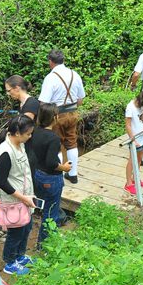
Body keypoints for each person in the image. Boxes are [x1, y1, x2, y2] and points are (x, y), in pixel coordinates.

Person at [0, 115, 36, 275]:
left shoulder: (20, 144)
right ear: (17, 133)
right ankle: (10, 262)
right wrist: (22, 197)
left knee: (26, 227)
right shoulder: (5, 152)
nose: (30, 136)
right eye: (28, 134)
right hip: (14, 199)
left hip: (26, 196)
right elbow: (1, 181)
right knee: (16, 231)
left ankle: (19, 255)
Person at [38, 49, 85, 184]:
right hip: (73, 113)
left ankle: (57, 174)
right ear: (63, 60)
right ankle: (73, 174)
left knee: (56, 144)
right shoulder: (74, 74)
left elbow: (43, 102)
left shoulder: (51, 78)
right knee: (71, 142)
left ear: (50, 62)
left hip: (57, 116)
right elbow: (80, 99)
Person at [29, 103, 72, 246]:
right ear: (55, 117)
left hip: (37, 174)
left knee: (44, 209)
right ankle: (45, 244)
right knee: (51, 212)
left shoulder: (34, 132)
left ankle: (45, 239)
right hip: (51, 178)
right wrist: (64, 168)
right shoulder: (53, 138)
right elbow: (51, 163)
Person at [5, 75, 40, 176]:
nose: (8, 94)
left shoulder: (31, 103)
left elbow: (22, 126)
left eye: (8, 90)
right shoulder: (22, 104)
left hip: (31, 144)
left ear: (17, 88)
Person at [124, 91, 143, 195]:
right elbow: (128, 125)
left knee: (139, 159)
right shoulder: (130, 107)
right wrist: (133, 140)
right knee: (132, 161)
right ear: (142, 101)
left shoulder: (142, 106)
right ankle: (128, 184)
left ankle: (135, 178)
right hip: (135, 139)